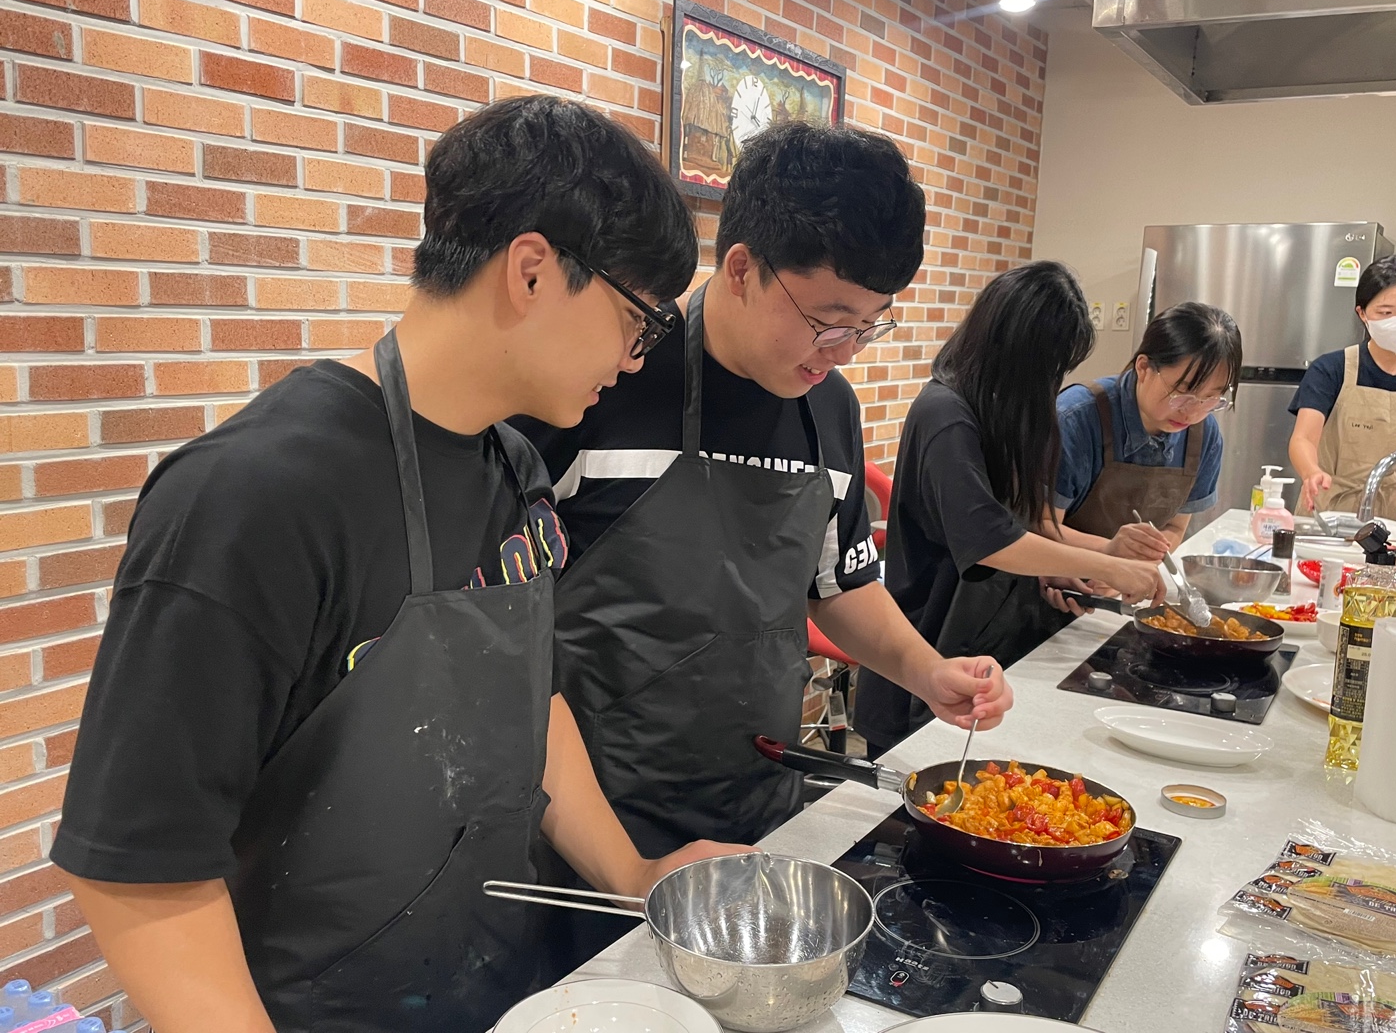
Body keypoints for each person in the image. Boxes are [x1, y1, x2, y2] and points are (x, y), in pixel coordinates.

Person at [50, 97, 743, 1033]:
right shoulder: (253, 496)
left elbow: (527, 703)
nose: (633, 360)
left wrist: (634, 873)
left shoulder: (516, 469)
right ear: (532, 271)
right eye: (639, 321)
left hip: (495, 996)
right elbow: (137, 867)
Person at [510, 122, 1012, 861]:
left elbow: (837, 584)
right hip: (588, 820)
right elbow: (502, 626)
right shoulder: (602, 378)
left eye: (868, 327)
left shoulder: (829, 408)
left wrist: (926, 670)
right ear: (741, 269)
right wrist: (625, 867)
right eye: (828, 322)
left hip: (757, 799)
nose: (843, 353)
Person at [853, 262, 1165, 757]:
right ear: (1015, 351)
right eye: (1048, 366)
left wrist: (1053, 574)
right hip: (929, 653)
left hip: (991, 651)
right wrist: (1111, 566)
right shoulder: (945, 414)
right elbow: (991, 539)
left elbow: (1023, 522)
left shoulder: (1004, 411)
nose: (1052, 381)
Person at [1044, 302, 1240, 561]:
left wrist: (1142, 560)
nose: (1192, 413)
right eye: (1183, 392)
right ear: (1144, 367)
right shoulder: (1075, 418)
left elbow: (1175, 527)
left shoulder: (1204, 437)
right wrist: (1106, 557)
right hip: (1059, 574)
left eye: (1210, 398)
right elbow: (1041, 525)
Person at [1289, 254, 1396, 529]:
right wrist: (1311, 471)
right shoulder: (1331, 369)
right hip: (1330, 513)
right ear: (1362, 313)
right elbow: (1303, 438)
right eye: (1386, 313)